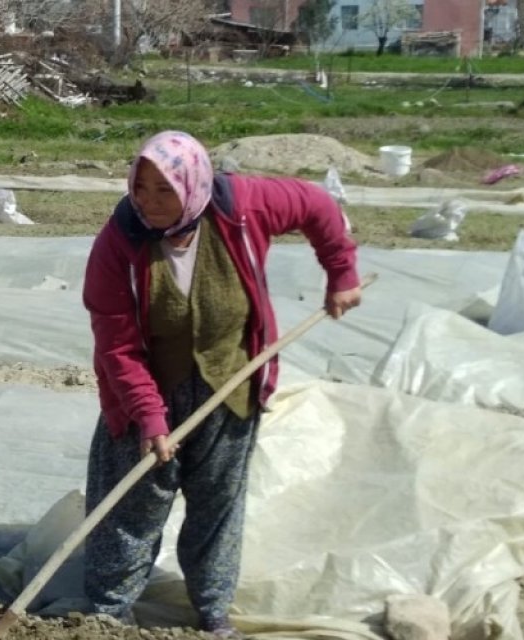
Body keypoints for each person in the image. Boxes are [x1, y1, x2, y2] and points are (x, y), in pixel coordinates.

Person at [81, 131, 362, 638]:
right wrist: (149, 417)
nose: (148, 202)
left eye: (164, 190)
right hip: (148, 390)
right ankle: (107, 615)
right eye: (140, 187)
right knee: (130, 509)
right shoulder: (119, 242)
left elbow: (317, 205)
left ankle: (212, 611)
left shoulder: (242, 207)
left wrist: (340, 271)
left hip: (229, 385)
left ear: (192, 185)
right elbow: (117, 346)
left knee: (217, 506)